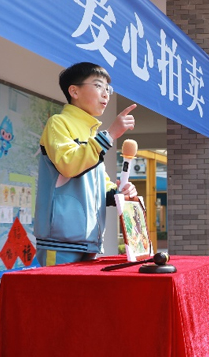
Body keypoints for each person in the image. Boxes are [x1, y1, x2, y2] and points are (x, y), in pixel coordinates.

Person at [34, 62, 138, 266]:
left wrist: (118, 192)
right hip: (60, 240)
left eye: (108, 89)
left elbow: (99, 183)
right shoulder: (58, 123)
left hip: (89, 241)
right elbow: (69, 165)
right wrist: (110, 135)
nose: (106, 94)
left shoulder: (92, 133)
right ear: (74, 91)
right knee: (58, 288)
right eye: (98, 86)